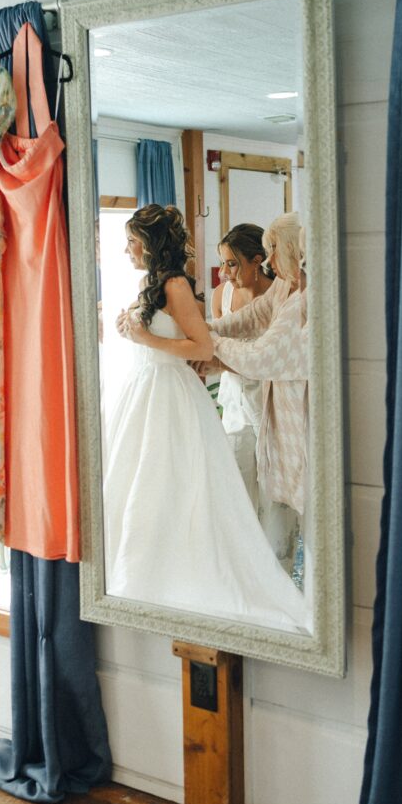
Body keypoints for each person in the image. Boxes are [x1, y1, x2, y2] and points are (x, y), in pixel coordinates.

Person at [103, 203, 308, 632]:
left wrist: (147, 337)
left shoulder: (177, 284)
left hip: (171, 394)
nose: (126, 250)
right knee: (140, 486)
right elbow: (234, 324)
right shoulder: (152, 283)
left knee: (178, 487)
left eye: (132, 242)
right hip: (144, 390)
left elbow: (199, 348)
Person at [209, 212, 309, 526]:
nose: (270, 259)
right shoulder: (283, 287)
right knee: (252, 496)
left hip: (295, 414)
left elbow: (262, 357)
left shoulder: (304, 297)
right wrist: (200, 335)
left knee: (292, 511)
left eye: (274, 250)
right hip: (260, 410)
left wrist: (212, 351)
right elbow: (247, 319)